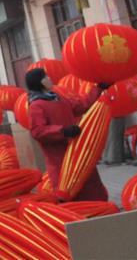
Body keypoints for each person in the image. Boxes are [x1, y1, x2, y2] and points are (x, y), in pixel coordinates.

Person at [25, 67, 109, 201]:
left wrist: (98, 88)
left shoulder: (59, 98)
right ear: (39, 82)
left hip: (78, 151)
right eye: (45, 77)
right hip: (60, 158)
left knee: (92, 190)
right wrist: (63, 131)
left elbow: (81, 105)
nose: (49, 78)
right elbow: (37, 131)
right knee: (71, 194)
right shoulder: (36, 106)